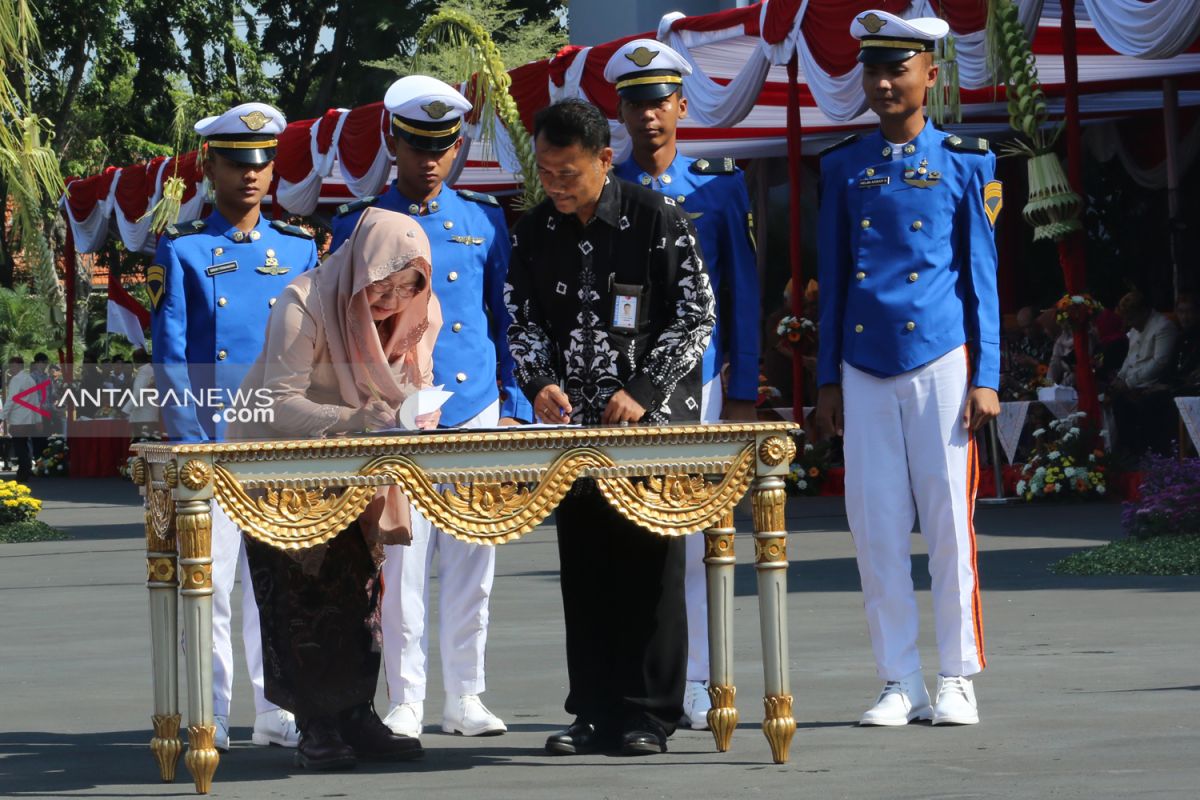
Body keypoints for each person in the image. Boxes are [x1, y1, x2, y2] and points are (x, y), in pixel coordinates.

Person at [505, 99, 716, 755]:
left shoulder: (657, 218)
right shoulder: (536, 228)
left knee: (650, 569)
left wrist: (646, 390)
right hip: (576, 434)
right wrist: (538, 380)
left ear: (604, 159)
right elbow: (523, 319)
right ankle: (592, 710)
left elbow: (697, 316)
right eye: (546, 172)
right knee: (586, 567)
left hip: (649, 428)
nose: (558, 186)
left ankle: (649, 715)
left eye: (569, 173)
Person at [814, 10, 1001, 727]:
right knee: (876, 523)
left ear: (930, 74)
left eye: (899, 69)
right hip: (863, 362)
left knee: (951, 520)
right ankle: (899, 678)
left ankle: (957, 674)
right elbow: (834, 279)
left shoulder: (967, 160)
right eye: (874, 69)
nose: (885, 82)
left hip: (941, 357)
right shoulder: (843, 165)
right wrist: (829, 377)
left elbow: (981, 276)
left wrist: (987, 375)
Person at [330, 75, 528, 741]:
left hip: (473, 407)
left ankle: (467, 695)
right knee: (401, 565)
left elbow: (506, 320)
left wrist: (516, 402)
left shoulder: (484, 220)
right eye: (418, 144)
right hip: (398, 415)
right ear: (393, 139)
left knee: (475, 557)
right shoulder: (358, 225)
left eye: (443, 145)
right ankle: (407, 698)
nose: (432, 159)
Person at [232, 207, 437, 770]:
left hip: (358, 464)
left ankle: (355, 715)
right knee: (302, 594)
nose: (391, 300)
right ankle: (315, 726)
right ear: (360, 266)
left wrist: (418, 415)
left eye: (406, 287)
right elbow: (276, 401)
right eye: (382, 284)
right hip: (279, 465)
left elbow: (417, 382)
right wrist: (353, 418)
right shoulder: (307, 300)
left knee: (360, 592)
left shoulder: (420, 310)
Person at [149, 102, 318, 752]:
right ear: (210, 167)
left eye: (263, 163)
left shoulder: (299, 247)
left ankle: (277, 709)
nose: (252, 176)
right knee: (213, 585)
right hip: (216, 443)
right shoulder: (184, 250)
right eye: (237, 164)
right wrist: (191, 444)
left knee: (276, 586)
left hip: (279, 443)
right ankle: (211, 710)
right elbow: (172, 356)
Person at [604, 39, 761, 731]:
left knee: (701, 540)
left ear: (682, 106)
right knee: (632, 538)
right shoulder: (608, 190)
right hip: (626, 391)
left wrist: (749, 386)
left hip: (700, 386)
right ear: (622, 111)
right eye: (636, 104)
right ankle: (640, 678)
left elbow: (745, 294)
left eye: (660, 102)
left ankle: (699, 678)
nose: (649, 117)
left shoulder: (718, 183)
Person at [1109, 291, 1185, 456]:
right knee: (1115, 402)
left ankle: (1145, 454)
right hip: (1133, 382)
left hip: (1153, 383)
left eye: (1132, 318)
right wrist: (1120, 377)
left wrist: (1129, 383)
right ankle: (1128, 450)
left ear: (1144, 312)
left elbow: (1160, 363)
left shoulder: (1163, 327)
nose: (1129, 323)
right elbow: (1130, 358)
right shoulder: (1136, 329)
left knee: (1142, 405)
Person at [1, 355, 44, 481]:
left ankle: (23, 472)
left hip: (19, 419)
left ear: (20, 366)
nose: (11, 369)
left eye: (14, 366)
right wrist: (38, 419)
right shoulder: (30, 379)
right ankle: (25, 470)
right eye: (10, 366)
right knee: (23, 446)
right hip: (29, 419)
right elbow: (36, 401)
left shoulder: (16, 380)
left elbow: (11, 399)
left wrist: (1, 416)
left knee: (20, 446)